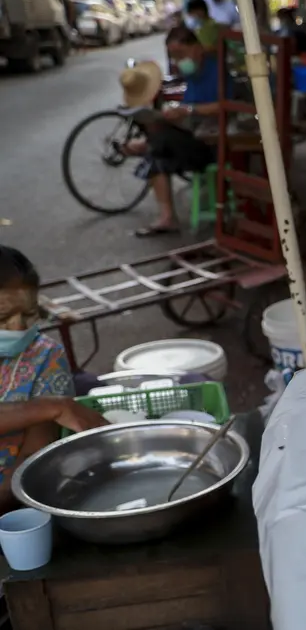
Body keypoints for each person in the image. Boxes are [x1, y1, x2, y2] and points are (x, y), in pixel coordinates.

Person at [0, 246, 109, 511]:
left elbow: (33, 455)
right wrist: (49, 407)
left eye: (29, 314)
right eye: (3, 317)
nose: (18, 328)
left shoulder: (45, 358)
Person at [122, 28, 226, 236]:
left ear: (197, 48)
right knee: (157, 156)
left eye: (181, 54)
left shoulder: (216, 71)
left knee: (157, 143)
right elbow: (188, 109)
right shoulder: (191, 74)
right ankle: (167, 218)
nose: (178, 61)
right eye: (174, 57)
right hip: (195, 136)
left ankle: (146, 145)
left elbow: (224, 105)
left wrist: (188, 110)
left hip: (214, 144)